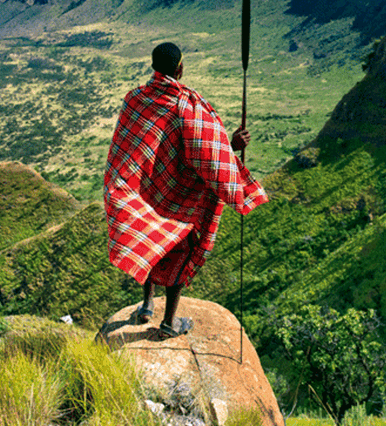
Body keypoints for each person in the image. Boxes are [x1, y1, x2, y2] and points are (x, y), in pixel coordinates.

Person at [103, 42, 268, 338]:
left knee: (152, 235)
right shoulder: (186, 106)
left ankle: (146, 305)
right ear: (180, 68)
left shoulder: (135, 99)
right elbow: (207, 153)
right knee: (180, 246)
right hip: (177, 192)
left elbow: (125, 144)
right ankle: (168, 323)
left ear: (155, 66)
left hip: (146, 187)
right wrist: (234, 147)